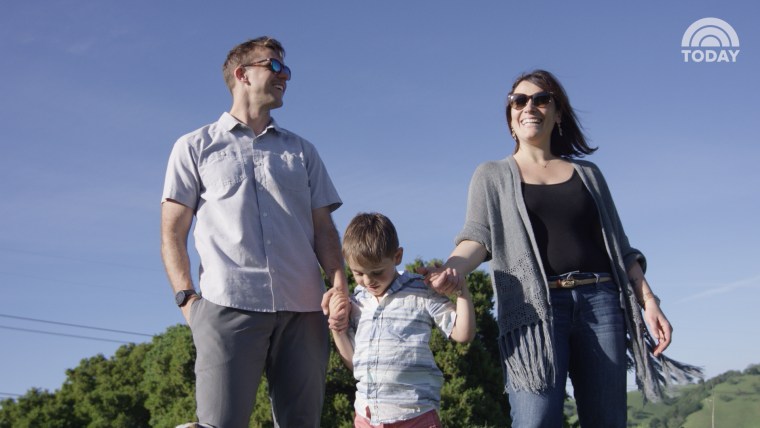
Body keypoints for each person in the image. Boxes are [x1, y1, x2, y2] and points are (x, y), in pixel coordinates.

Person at [420, 70, 701, 427]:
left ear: (557, 112)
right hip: (534, 313)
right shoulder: (491, 175)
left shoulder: (589, 174)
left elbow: (620, 248)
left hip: (601, 304)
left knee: (607, 421)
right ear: (510, 117)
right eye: (519, 101)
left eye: (541, 99)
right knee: (534, 419)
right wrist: (453, 269)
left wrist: (649, 300)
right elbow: (476, 237)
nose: (529, 107)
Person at [160, 36, 348, 428]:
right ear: (242, 74)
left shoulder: (303, 151)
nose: (285, 77)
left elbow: (323, 230)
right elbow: (172, 232)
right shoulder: (193, 147)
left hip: (304, 310)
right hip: (226, 306)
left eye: (287, 70)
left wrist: (339, 284)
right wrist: (186, 300)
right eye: (275, 67)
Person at [328, 213, 475, 428]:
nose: (368, 280)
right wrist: (337, 327)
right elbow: (354, 364)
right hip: (368, 415)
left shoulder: (421, 290)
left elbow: (463, 334)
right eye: (358, 273)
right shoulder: (356, 303)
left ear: (397, 256)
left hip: (417, 413)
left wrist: (461, 289)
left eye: (377, 272)